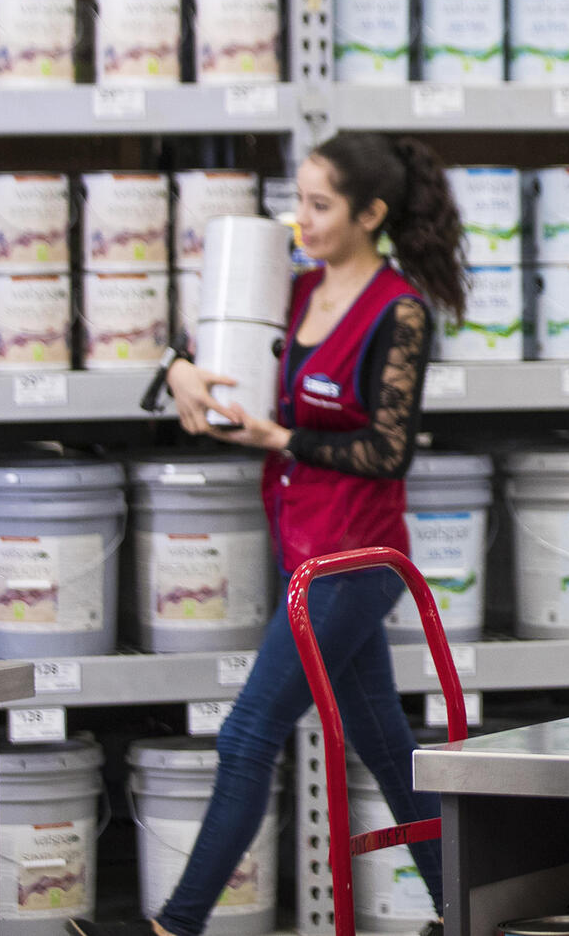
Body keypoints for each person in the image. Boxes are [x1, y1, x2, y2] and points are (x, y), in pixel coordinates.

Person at [75, 133, 468, 936]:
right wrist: (178, 368)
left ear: (371, 214)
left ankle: (174, 926)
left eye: (321, 205)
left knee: (248, 733)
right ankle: (465, 909)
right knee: (387, 747)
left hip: (353, 562)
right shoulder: (294, 290)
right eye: (300, 200)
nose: (302, 218)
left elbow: (387, 451)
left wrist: (280, 438)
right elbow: (201, 346)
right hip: (305, 554)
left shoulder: (399, 310)